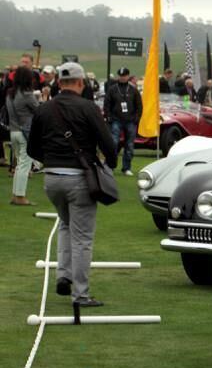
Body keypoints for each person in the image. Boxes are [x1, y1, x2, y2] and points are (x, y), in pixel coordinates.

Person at [27, 62, 118, 308]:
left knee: (65, 226)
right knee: (82, 238)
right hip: (80, 178)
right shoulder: (88, 107)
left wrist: (51, 160)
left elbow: (31, 148)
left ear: (58, 82)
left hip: (52, 178)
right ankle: (81, 294)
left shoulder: (45, 109)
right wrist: (110, 164)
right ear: (81, 83)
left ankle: (63, 275)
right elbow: (107, 143)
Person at [5, 66, 40, 205]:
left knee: (19, 165)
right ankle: (20, 196)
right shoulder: (27, 94)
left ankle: (15, 195)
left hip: (13, 131)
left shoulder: (9, 93)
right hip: (25, 132)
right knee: (24, 165)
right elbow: (38, 110)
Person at [104, 67, 142, 176]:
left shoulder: (133, 90)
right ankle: (110, 166)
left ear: (128, 76)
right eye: (120, 76)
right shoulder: (112, 89)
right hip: (116, 120)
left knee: (129, 145)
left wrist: (137, 118)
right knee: (114, 143)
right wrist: (108, 117)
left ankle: (126, 168)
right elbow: (107, 104)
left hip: (130, 121)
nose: (122, 78)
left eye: (124, 76)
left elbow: (139, 105)